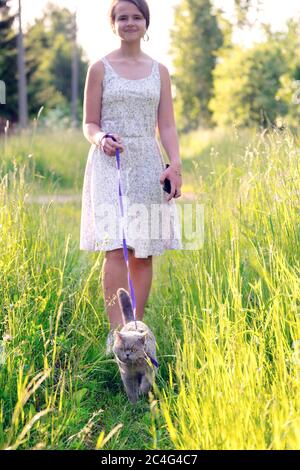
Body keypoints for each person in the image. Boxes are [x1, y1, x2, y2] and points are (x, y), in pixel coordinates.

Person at [80, 0, 183, 354]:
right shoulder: (100, 68)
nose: (129, 22)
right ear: (113, 24)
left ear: (145, 23)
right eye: (122, 17)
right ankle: (117, 336)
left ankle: (137, 331)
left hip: (147, 164)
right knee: (114, 248)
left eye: (136, 16)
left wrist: (175, 164)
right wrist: (100, 138)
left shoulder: (160, 71)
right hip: (110, 164)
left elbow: (166, 124)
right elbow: (89, 122)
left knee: (144, 252)